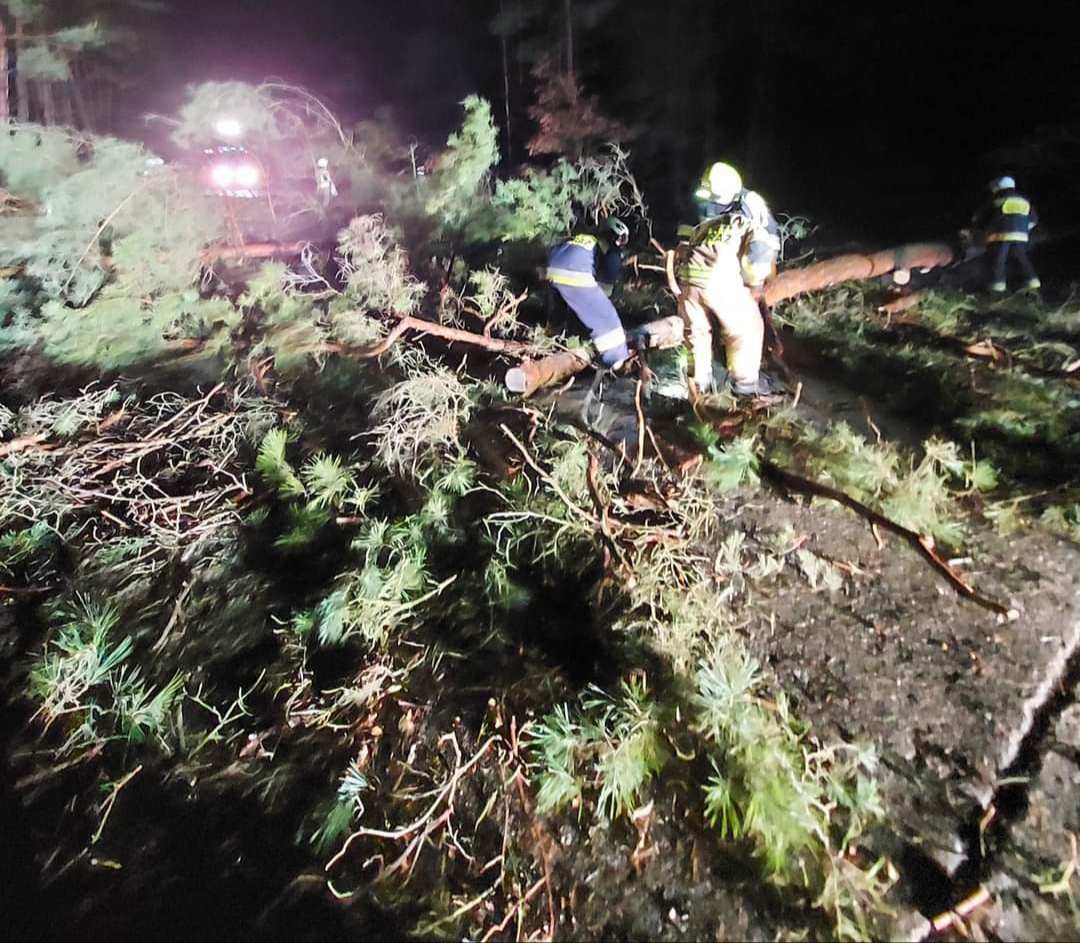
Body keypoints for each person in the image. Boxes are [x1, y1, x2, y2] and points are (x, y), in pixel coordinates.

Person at [674, 164, 782, 398]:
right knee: (747, 329)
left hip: (689, 282)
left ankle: (698, 387)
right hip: (719, 281)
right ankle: (745, 386)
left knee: (696, 333)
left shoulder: (751, 207)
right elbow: (760, 254)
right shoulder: (721, 206)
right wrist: (754, 284)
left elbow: (766, 247)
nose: (711, 204)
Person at [545, 217, 632, 369]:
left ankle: (549, 339)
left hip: (553, 270)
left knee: (564, 309)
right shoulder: (611, 249)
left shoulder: (585, 238)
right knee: (607, 316)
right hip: (574, 273)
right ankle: (615, 357)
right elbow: (606, 283)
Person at [973, 175, 1040, 294]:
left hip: (1000, 234)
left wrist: (980, 228)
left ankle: (997, 286)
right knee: (1021, 258)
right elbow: (1033, 220)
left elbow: (982, 217)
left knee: (999, 259)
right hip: (1021, 236)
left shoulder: (997, 199)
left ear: (999, 187)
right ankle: (1033, 282)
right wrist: (1023, 229)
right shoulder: (1024, 199)